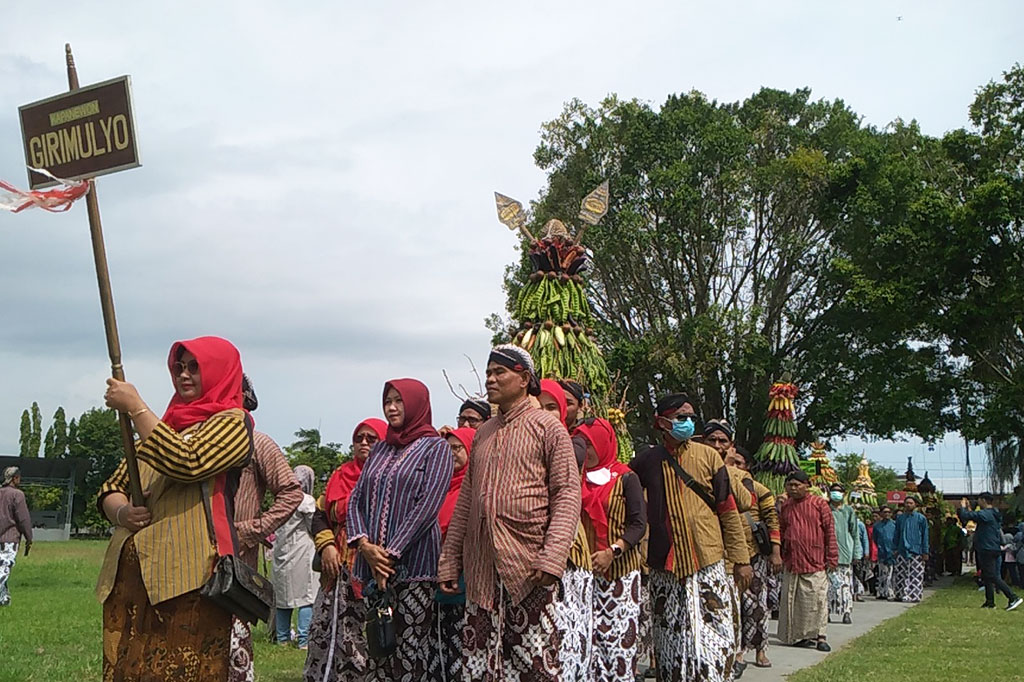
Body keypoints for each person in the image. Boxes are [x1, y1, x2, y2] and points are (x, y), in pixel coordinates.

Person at [96, 336, 255, 681]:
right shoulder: (163, 427)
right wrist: (122, 513)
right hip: (131, 582)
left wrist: (136, 407)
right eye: (179, 367)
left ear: (218, 371)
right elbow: (112, 487)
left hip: (189, 581)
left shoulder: (233, 423)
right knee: (126, 670)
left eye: (195, 367)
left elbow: (189, 461)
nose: (184, 375)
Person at [438, 345, 580, 681]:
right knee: (479, 663)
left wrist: (552, 557)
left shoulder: (548, 428)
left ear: (524, 378)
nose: (490, 379)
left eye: (499, 372)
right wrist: (450, 559)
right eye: (488, 373)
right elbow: (466, 501)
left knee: (534, 664)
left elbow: (567, 493)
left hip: (528, 567)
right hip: (481, 569)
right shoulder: (484, 433)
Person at [629, 393, 750, 682]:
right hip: (664, 564)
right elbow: (625, 499)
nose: (688, 423)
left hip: (707, 559)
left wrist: (741, 560)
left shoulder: (708, 457)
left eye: (691, 418)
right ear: (662, 422)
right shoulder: (646, 461)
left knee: (716, 635)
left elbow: (728, 510)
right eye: (680, 418)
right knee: (669, 637)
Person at [344, 379, 453, 681]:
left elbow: (428, 506)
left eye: (399, 401)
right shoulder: (380, 449)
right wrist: (364, 545)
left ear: (416, 404)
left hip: (414, 567)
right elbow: (356, 499)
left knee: (409, 649)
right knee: (378, 647)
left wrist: (389, 556)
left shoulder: (436, 448)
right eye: (387, 401)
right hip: (372, 566)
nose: (391, 408)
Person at [304, 417, 388, 682]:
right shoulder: (340, 475)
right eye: (358, 438)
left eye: (371, 438)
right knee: (323, 630)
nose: (364, 443)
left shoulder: (388, 478)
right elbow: (319, 514)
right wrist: (327, 545)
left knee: (359, 636)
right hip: (334, 570)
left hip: (367, 570)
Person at [579, 417, 647, 681]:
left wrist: (613, 551)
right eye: (581, 444)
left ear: (603, 443)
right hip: (583, 577)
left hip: (620, 576)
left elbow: (638, 524)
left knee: (617, 646)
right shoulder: (575, 478)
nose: (586, 451)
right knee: (587, 646)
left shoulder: (626, 478)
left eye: (590, 444)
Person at [539, 378, 593, 682]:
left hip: (568, 550)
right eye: (539, 407)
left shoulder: (575, 444)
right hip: (531, 549)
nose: (545, 414)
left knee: (568, 637)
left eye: (552, 407)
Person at [234, 375, 303, 569]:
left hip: (237, 558)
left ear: (241, 396)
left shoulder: (257, 443)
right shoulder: (193, 439)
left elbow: (292, 493)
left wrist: (250, 531)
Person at [724, 447, 782, 670]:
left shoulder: (759, 490)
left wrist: (775, 553)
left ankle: (760, 650)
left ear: (747, 466)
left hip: (753, 555)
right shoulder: (718, 484)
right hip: (726, 555)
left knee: (756, 606)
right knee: (731, 606)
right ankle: (735, 651)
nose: (735, 467)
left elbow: (772, 521)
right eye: (732, 463)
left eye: (739, 463)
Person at [778, 470, 838, 653]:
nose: (793, 488)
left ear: (807, 486)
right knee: (796, 602)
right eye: (790, 485)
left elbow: (829, 531)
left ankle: (821, 637)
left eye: (797, 485)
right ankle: (802, 636)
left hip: (815, 562)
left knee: (817, 601)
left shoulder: (819, 504)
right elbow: (781, 531)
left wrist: (832, 557)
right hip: (793, 562)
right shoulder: (786, 506)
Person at [434, 426, 475, 682]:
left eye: (458, 448)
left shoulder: (473, 488)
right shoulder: (438, 487)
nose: (451, 454)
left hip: (464, 578)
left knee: (463, 647)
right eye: (446, 449)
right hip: (435, 575)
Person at [272, 465, 319, 650]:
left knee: (283, 598)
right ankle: (304, 640)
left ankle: (282, 638)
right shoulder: (305, 500)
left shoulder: (280, 499)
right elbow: (314, 526)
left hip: (281, 552)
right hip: (302, 551)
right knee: (306, 596)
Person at [957, 494, 1021, 610]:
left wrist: (963, 507)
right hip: (993, 546)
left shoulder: (985, 514)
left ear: (983, 500)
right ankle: (989, 601)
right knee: (987, 575)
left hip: (987, 548)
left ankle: (1012, 597)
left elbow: (966, 515)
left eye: (979, 500)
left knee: (992, 576)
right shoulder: (994, 513)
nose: (978, 502)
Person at [827, 483, 861, 624]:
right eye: (833, 491)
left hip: (846, 553)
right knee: (828, 586)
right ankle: (827, 611)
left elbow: (855, 533)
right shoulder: (825, 509)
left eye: (839, 491)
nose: (836, 494)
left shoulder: (848, 511)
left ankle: (846, 612)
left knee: (845, 585)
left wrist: (857, 553)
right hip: (828, 554)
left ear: (843, 494)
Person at [0, 466, 32, 607]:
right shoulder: (17, 495)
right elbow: (23, 518)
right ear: (15, 478)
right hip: (9, 538)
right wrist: (29, 537)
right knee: (4, 570)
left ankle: (4, 600)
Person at [892, 496, 929, 603]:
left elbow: (925, 536)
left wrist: (925, 551)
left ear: (915, 505)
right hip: (902, 550)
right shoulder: (900, 518)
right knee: (901, 574)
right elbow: (896, 534)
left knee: (916, 574)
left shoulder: (921, 518)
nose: (908, 505)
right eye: (907, 503)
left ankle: (915, 596)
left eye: (911, 503)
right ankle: (900, 594)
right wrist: (894, 548)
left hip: (916, 550)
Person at [873, 506, 896, 600]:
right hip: (882, 552)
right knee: (882, 574)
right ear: (881, 514)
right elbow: (875, 538)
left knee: (891, 574)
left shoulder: (894, 525)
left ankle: (890, 592)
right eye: (885, 512)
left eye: (889, 512)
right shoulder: (877, 526)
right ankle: (882, 592)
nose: (887, 514)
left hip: (892, 552)